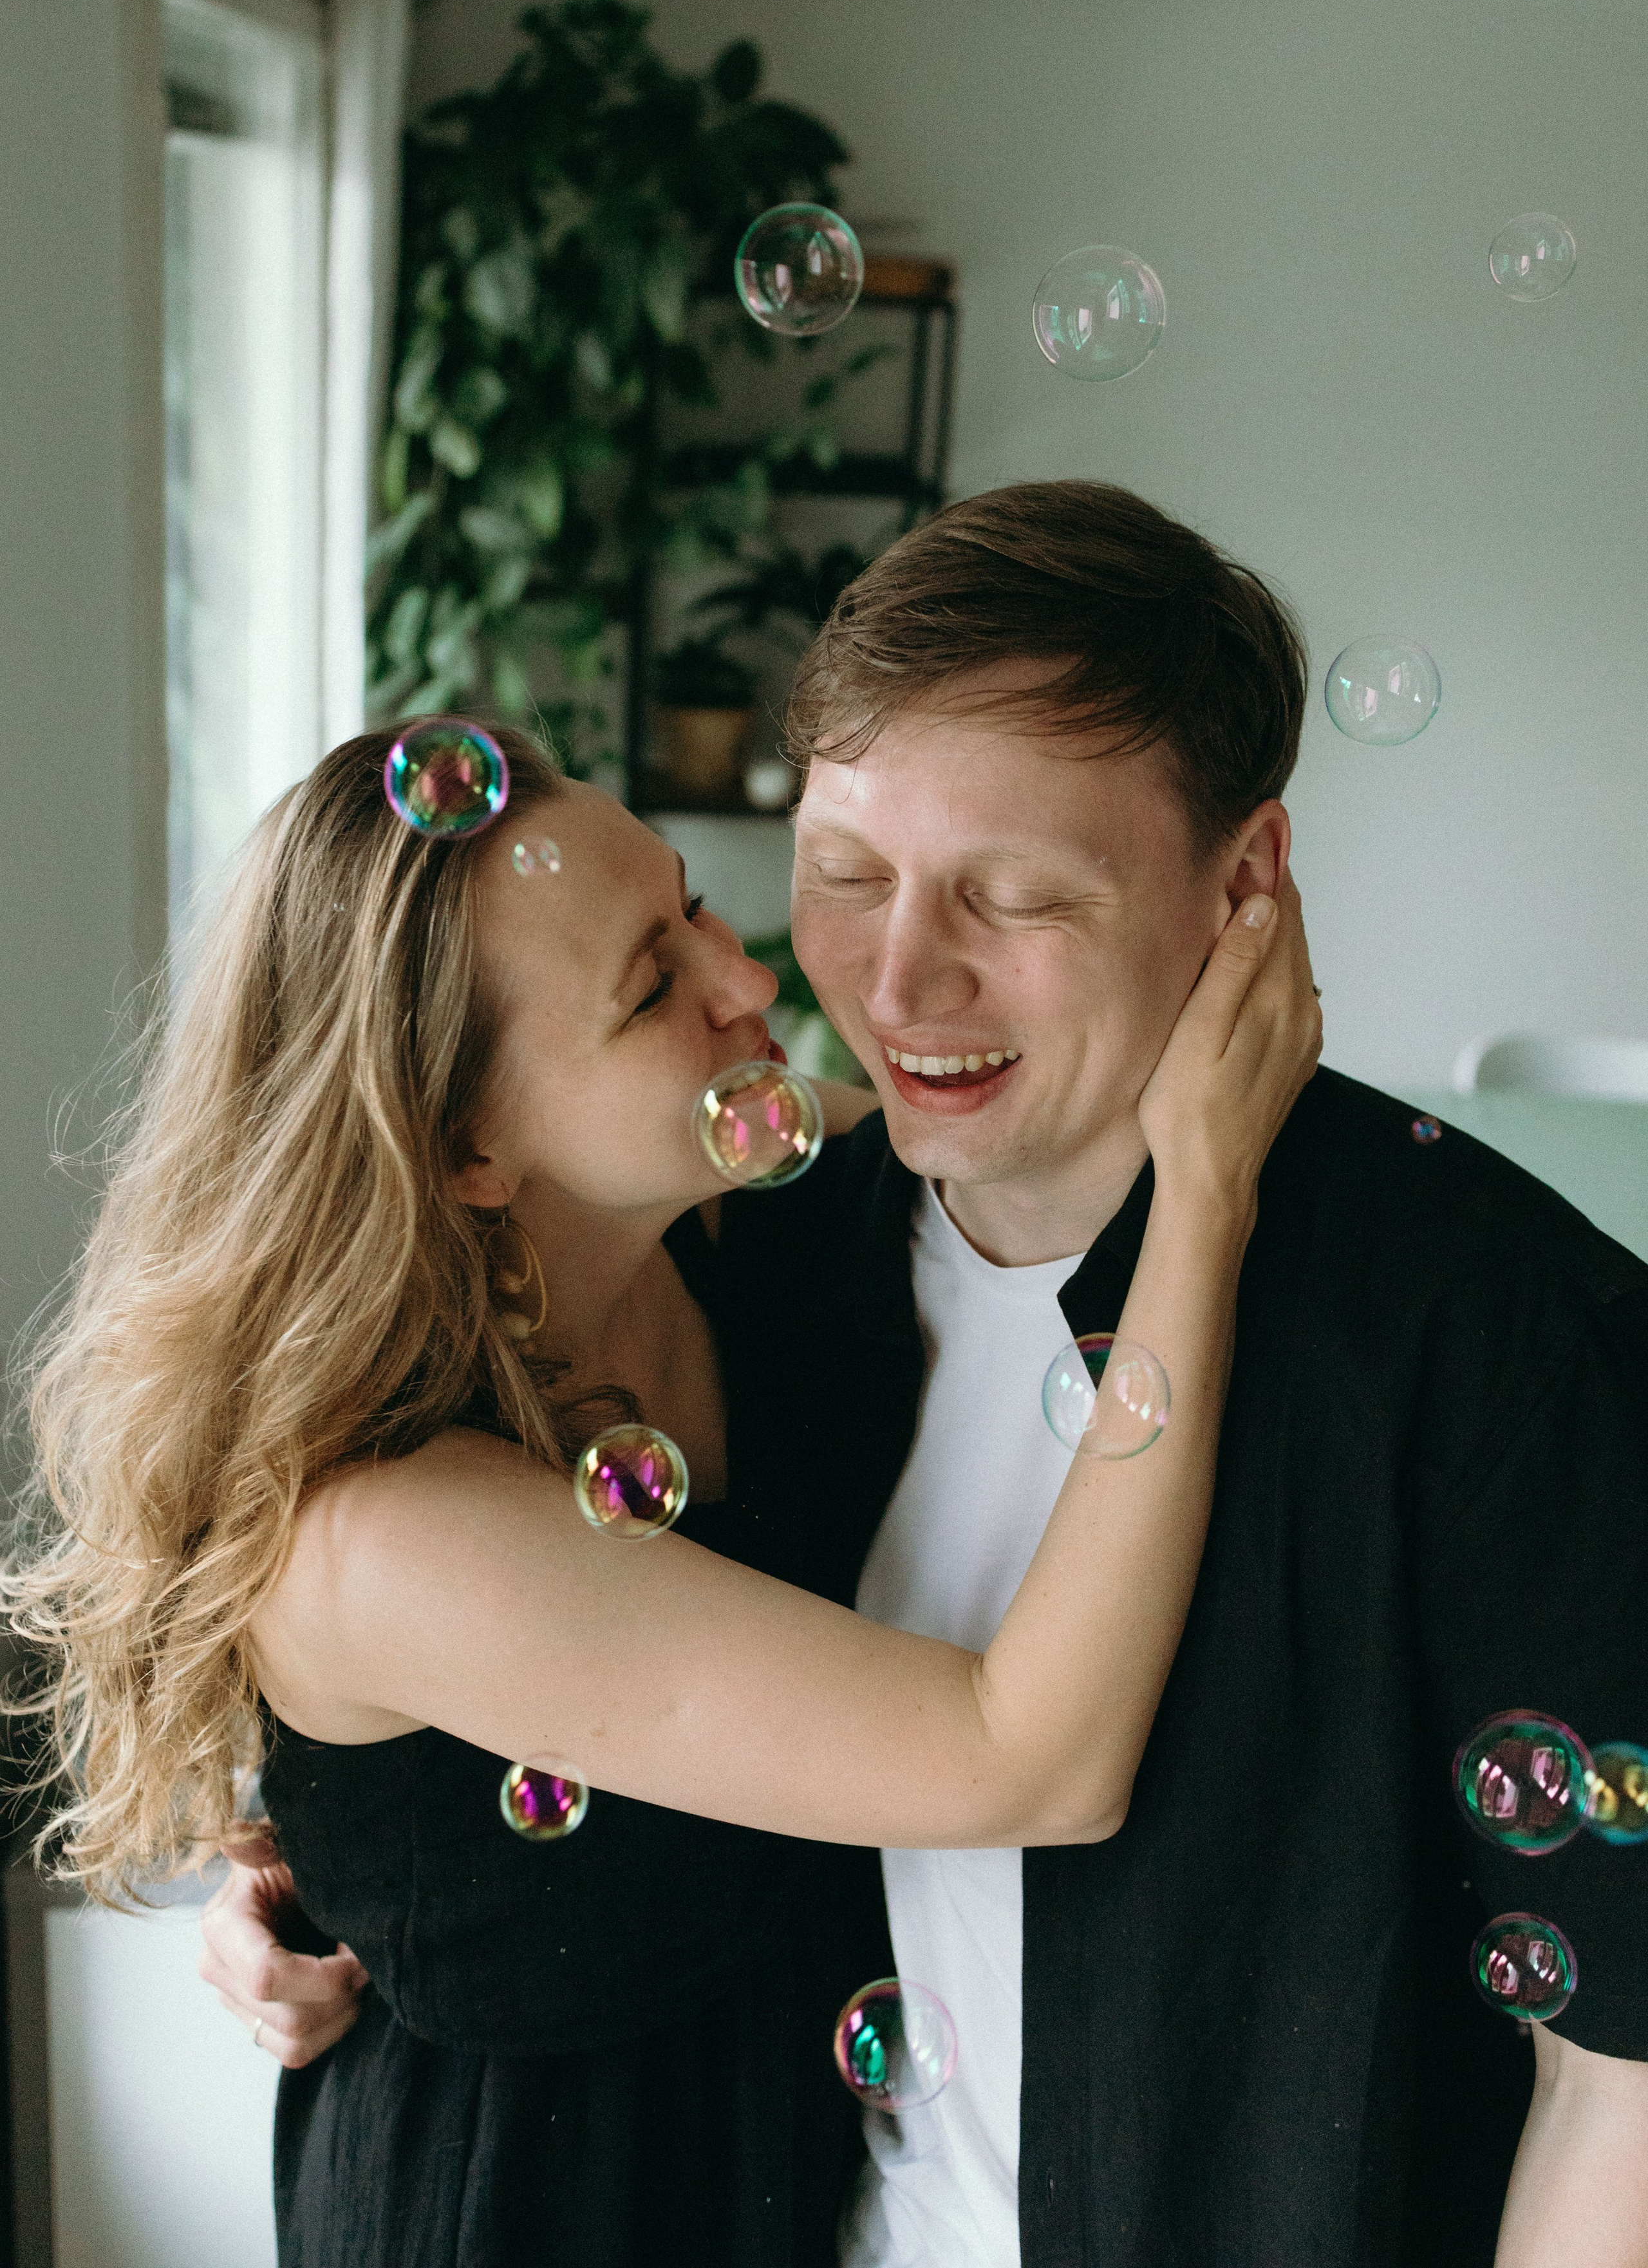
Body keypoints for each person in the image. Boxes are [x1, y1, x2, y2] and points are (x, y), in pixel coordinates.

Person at [218, 482, 1648, 2268]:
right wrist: (313, 1877)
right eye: (843, 877)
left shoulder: (1501, 1336)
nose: (887, 983)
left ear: (1248, 884)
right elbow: (521, 1690)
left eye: (1016, 894)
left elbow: (1628, 2078)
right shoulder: (781, 1247)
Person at [5, 707, 1318, 2268]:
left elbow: (1040, 1129)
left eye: (689, 902)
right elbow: (1029, 1759)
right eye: (652, 986)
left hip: (813, 2158)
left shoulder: (745, 1206)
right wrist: (1211, 1197)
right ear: (469, 1147)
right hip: (542, 2213)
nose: (748, 977)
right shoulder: (380, 1529)